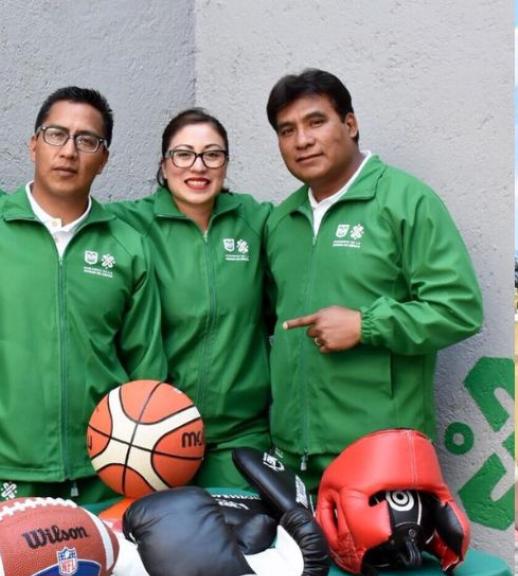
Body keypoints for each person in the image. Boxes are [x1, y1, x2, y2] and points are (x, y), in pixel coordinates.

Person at [264, 69, 483, 488]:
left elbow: (459, 309)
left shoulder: (405, 201)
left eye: (316, 122)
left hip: (382, 461)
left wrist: (366, 325)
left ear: (350, 124)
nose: (302, 140)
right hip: (294, 463)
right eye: (286, 130)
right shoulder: (280, 221)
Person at [0, 87, 167, 501]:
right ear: (33, 143)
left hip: (103, 472)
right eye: (56, 134)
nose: (69, 151)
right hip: (9, 468)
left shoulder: (127, 246)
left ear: (104, 157)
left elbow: (146, 370)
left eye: (86, 140)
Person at [107, 109, 273, 488]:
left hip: (239, 436)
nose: (198, 166)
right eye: (183, 154)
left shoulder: (256, 221)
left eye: (212, 154)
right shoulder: (128, 224)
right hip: (151, 435)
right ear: (164, 166)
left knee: (245, 541)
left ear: (226, 165)